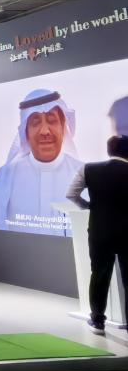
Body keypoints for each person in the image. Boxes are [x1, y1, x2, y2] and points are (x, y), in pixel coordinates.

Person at [0, 88, 84, 234]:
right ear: (26, 132)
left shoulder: (87, 177)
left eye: (52, 120)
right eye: (35, 123)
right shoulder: (7, 177)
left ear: (63, 127)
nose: (45, 131)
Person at [67, 135, 128, 335]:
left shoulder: (89, 168)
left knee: (99, 274)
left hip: (100, 230)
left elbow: (71, 194)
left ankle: (97, 321)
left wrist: (89, 206)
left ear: (109, 150)